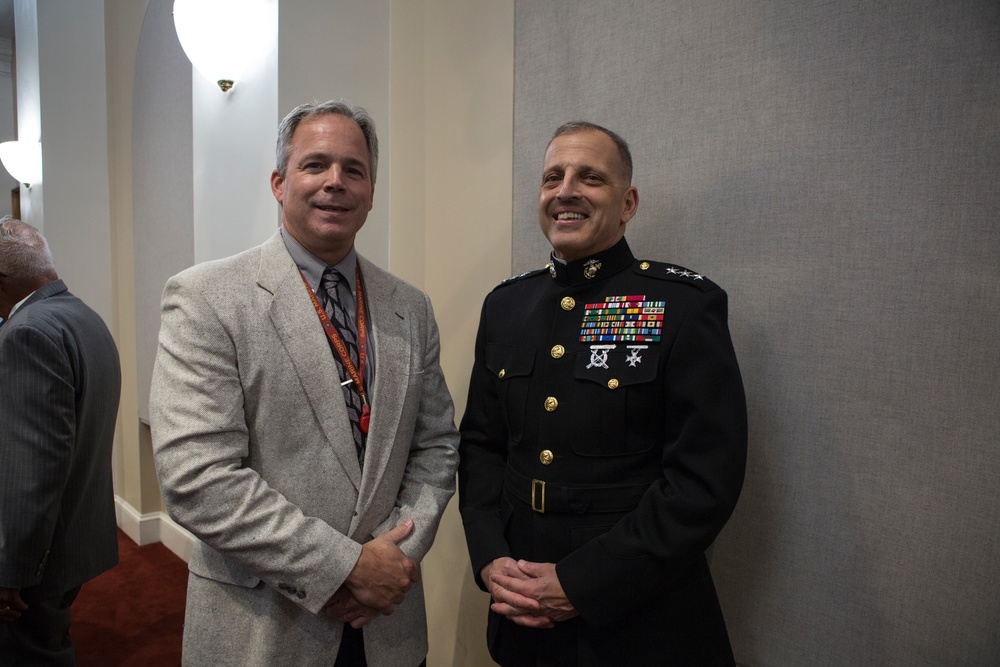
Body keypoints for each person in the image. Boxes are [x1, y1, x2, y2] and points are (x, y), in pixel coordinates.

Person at [149, 101, 459, 667]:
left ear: (370, 191)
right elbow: (197, 477)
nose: (335, 182)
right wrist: (343, 566)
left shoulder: (409, 307)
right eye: (315, 165)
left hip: (387, 625)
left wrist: (396, 556)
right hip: (266, 628)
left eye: (354, 169)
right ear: (279, 182)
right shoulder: (206, 298)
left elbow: (436, 445)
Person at [458, 122, 748, 666]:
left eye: (589, 177)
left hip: (640, 622)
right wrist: (490, 557)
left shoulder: (682, 306)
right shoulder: (506, 307)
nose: (565, 191)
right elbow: (480, 446)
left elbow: (702, 483)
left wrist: (582, 583)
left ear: (628, 202)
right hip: (523, 616)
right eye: (552, 178)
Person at [0, 218, 122, 665]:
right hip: (76, 535)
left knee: (31, 654)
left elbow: (32, 473)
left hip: (39, 554)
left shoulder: (26, 333)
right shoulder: (84, 316)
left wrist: (9, 571)